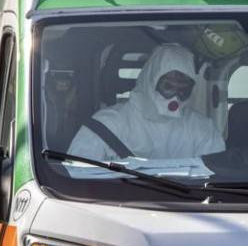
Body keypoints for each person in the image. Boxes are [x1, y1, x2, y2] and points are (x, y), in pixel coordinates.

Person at [68, 44, 225, 160]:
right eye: (168, 86)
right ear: (149, 81)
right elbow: (78, 178)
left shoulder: (203, 130)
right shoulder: (107, 124)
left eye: (183, 90)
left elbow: (216, 178)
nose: (175, 97)